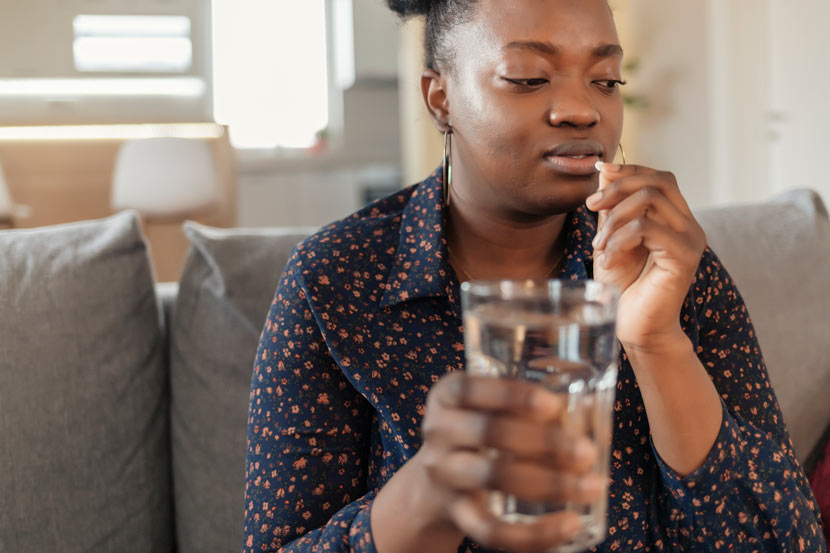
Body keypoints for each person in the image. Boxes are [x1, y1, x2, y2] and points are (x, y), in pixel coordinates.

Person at [242, 0, 826, 551]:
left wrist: (657, 342)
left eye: (606, 80)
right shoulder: (335, 280)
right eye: (527, 77)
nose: (582, 108)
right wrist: (431, 491)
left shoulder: (668, 264)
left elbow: (786, 541)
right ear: (440, 98)